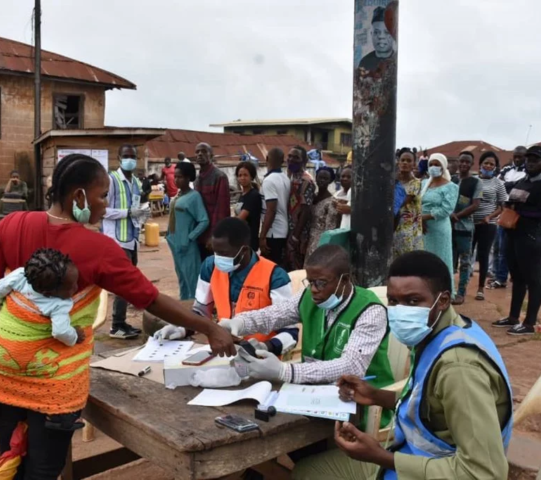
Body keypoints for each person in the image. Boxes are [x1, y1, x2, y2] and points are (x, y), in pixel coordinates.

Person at [0, 153, 235, 479]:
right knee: (43, 470)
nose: (105, 206)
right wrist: (208, 326)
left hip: (0, 366)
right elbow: (151, 300)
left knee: (11, 457)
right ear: (78, 195)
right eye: (102, 195)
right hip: (55, 382)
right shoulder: (100, 249)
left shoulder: (11, 225)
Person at [293, 251, 512, 480]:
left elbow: (485, 473)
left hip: (433, 468)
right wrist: (376, 396)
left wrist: (380, 457)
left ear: (443, 300)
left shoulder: (459, 369)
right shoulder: (440, 331)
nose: (400, 311)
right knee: (308, 471)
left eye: (413, 301)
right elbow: (434, 406)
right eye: (394, 301)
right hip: (417, 455)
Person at [219, 244, 394, 400]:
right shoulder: (309, 297)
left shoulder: (370, 311)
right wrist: (240, 323)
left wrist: (285, 371)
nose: (314, 290)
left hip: (361, 403)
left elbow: (351, 366)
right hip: (312, 393)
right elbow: (274, 315)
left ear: (345, 280)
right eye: (310, 282)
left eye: (321, 283)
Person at [157, 218, 298, 355]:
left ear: (243, 250)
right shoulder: (210, 266)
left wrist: (264, 347)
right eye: (215, 252)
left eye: (223, 253)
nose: (217, 258)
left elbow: (290, 333)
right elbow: (201, 312)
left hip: (264, 358)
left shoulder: (275, 276)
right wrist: (182, 328)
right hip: (223, 351)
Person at [493, 146, 541, 336]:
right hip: (513, 235)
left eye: (535, 160)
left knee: (533, 280)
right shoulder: (521, 181)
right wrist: (509, 206)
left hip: (531, 238)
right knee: (517, 278)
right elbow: (510, 201)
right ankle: (513, 317)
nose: (530, 163)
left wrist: (518, 210)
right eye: (529, 159)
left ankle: (529, 323)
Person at [0, 248, 85, 347]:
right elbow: (60, 332)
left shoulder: (20, 275)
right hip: (25, 345)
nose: (76, 288)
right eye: (70, 288)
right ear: (47, 293)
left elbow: (0, 287)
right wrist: (74, 336)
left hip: (3, 340)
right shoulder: (58, 305)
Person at [101, 144, 148, 340]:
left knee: (128, 283)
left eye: (133, 156)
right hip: (116, 240)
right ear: (119, 158)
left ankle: (121, 322)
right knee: (122, 282)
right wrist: (127, 213)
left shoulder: (136, 182)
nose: (130, 159)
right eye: (126, 156)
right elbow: (102, 210)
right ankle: (116, 325)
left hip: (132, 239)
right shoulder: (111, 181)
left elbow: (137, 209)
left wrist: (143, 212)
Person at [165, 162, 209, 300]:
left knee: (192, 280)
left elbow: (204, 220)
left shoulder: (194, 197)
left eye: (180, 177)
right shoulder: (178, 195)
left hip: (187, 246)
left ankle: (196, 311)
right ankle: (184, 309)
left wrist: (190, 237)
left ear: (189, 178)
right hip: (175, 243)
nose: (176, 180)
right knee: (182, 279)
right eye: (175, 176)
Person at [490, 146, 528, 289]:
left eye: (520, 156)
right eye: (515, 156)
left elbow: (522, 189)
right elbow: (499, 186)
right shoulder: (506, 170)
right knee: (501, 246)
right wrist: (512, 186)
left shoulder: (528, 172)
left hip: (520, 212)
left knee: (518, 248)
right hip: (505, 211)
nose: (517, 159)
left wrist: (509, 186)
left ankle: (518, 277)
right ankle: (500, 277)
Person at [471, 152, 507, 301]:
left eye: (492, 164)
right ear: (480, 164)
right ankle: (461, 288)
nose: (488, 166)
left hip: (488, 224)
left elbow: (502, 206)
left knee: (484, 255)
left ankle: (480, 289)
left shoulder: (498, 184)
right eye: (486, 163)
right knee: (467, 255)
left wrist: (489, 217)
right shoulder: (473, 181)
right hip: (470, 223)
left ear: (495, 167)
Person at [420, 154, 458, 290]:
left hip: (439, 228)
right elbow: (417, 203)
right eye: (431, 164)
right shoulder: (424, 183)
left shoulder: (451, 187)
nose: (433, 167)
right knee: (423, 259)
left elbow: (446, 209)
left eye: (437, 164)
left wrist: (424, 218)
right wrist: (420, 220)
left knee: (440, 258)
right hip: (422, 227)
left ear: (443, 167)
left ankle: (443, 290)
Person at [450, 152, 483, 305]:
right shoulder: (452, 179)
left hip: (465, 228)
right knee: (449, 262)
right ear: (458, 162)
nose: (463, 164)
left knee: (465, 263)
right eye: (461, 161)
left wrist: (457, 216)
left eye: (467, 162)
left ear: (471, 164)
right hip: (448, 228)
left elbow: (475, 204)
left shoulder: (476, 183)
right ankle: (448, 291)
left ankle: (461, 292)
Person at [194, 142, 231, 261]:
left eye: (204, 151)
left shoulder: (219, 177)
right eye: (197, 152)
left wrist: (214, 236)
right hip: (199, 235)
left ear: (211, 155)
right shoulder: (197, 179)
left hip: (211, 237)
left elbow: (222, 210)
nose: (200, 154)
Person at [286, 146, 316, 271]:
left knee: (296, 268)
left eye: (296, 157)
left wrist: (296, 236)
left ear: (304, 161)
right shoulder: (290, 176)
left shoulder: (306, 180)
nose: (291, 160)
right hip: (288, 228)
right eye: (290, 156)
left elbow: (306, 210)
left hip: (299, 232)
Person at [259, 147, 291, 268]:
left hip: (273, 232)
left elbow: (271, 210)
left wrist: (262, 237)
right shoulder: (285, 178)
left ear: (266, 159)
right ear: (282, 162)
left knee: (269, 268)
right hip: (283, 229)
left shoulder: (269, 181)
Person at [393, 148, 423, 258]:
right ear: (398, 162)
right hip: (393, 227)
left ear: (414, 164)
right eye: (402, 160)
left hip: (408, 229)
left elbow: (400, 203)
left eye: (409, 161)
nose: (405, 163)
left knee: (408, 259)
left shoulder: (416, 183)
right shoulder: (393, 181)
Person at [307, 167, 340, 259]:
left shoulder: (331, 202)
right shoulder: (312, 196)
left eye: (325, 179)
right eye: (320, 177)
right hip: (307, 237)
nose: (322, 180)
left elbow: (330, 228)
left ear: (330, 181)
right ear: (316, 178)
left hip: (319, 241)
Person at [234, 161, 262, 252]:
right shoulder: (242, 195)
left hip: (249, 241)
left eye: (245, 175)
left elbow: (240, 218)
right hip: (241, 239)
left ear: (251, 177)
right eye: (240, 175)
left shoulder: (253, 195)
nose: (242, 178)